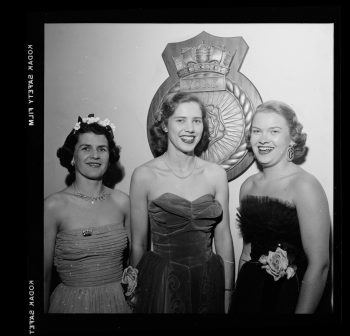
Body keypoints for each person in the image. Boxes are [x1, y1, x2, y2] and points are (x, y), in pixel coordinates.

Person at [129, 91, 235, 313]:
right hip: (163, 282)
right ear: (165, 125)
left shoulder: (216, 174)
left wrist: (227, 291)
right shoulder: (144, 175)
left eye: (196, 121)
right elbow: (138, 243)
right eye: (180, 120)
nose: (190, 128)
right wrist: (136, 289)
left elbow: (223, 237)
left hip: (208, 278)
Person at [230, 100, 331, 314]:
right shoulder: (248, 186)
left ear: (292, 138)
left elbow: (320, 265)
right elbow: (247, 254)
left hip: (292, 297)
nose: (263, 138)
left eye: (274, 131)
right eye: (257, 131)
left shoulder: (304, 186)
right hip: (252, 295)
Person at [44, 114, 132, 313]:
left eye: (102, 149)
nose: (95, 155)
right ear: (72, 157)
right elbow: (43, 277)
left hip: (118, 304)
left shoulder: (123, 202)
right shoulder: (53, 206)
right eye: (86, 148)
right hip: (70, 305)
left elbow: (134, 264)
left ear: (110, 157)